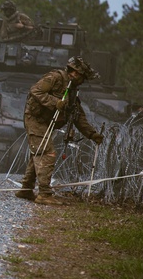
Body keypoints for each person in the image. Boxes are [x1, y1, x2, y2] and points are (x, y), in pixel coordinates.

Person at [16, 56, 104, 205]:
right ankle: (44, 193)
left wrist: (91, 133)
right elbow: (35, 91)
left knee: (39, 152)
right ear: (75, 73)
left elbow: (78, 116)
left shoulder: (72, 90)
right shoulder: (55, 78)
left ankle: (26, 189)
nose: (83, 81)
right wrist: (55, 102)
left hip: (47, 121)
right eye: (82, 77)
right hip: (35, 119)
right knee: (46, 153)